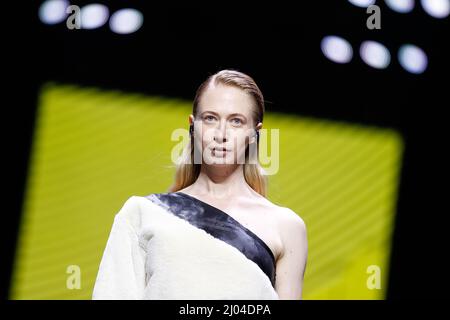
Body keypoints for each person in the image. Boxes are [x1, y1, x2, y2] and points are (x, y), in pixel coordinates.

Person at [92, 69, 308, 300]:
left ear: (254, 134)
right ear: (193, 126)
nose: (221, 134)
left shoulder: (286, 227)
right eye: (210, 118)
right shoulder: (142, 213)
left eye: (236, 121)